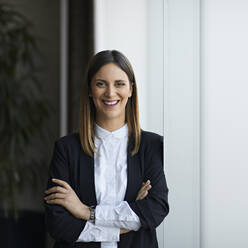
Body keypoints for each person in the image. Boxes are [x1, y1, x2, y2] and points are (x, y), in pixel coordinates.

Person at [43, 50, 169, 248]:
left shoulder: (152, 146)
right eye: (101, 84)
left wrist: (86, 212)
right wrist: (131, 218)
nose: (110, 93)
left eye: (119, 83)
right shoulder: (66, 149)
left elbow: (155, 210)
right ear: (90, 90)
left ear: (131, 90)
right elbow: (58, 224)